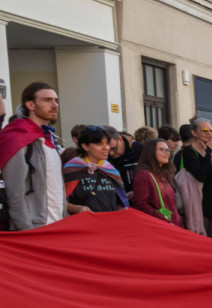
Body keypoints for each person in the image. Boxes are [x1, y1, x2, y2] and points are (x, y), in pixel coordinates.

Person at [0, 82, 65, 230]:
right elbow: (15, 192)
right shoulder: (17, 138)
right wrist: (26, 230)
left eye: (56, 100)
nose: (55, 105)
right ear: (30, 105)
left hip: (57, 224)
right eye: (47, 100)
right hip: (34, 229)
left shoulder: (49, 138)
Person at [62, 125, 128, 214]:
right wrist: (77, 208)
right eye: (99, 144)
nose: (106, 148)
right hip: (82, 225)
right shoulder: (71, 169)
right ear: (85, 146)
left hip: (109, 224)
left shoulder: (111, 170)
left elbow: (120, 202)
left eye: (107, 143)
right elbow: (60, 202)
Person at [176, 118, 212, 237]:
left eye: (211, 130)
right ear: (194, 133)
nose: (209, 133)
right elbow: (201, 176)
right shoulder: (189, 151)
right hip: (199, 204)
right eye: (204, 130)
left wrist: (210, 153)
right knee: (202, 242)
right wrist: (208, 155)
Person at [131, 137, 183, 226]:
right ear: (151, 152)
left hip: (173, 224)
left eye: (168, 150)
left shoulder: (164, 174)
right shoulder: (143, 175)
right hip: (160, 226)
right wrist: (164, 221)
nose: (167, 153)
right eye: (163, 150)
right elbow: (141, 205)